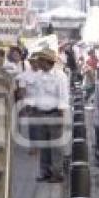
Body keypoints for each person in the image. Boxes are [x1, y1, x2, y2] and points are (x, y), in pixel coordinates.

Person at [28, 48, 69, 182]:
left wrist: (62, 115)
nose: (38, 62)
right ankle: (44, 171)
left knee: (56, 146)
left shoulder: (60, 76)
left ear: (47, 61)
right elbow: (35, 94)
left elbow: (63, 97)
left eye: (40, 60)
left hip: (54, 113)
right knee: (44, 145)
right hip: (40, 113)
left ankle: (57, 173)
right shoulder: (38, 75)